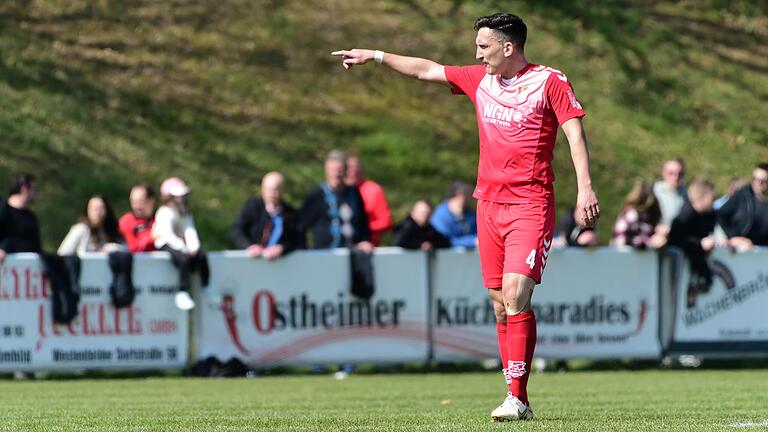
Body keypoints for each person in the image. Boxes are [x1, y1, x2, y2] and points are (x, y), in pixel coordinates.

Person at [333, 11, 600, 421]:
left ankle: (517, 397)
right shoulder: (481, 81)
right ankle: (515, 396)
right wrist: (376, 54)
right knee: (498, 304)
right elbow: (427, 70)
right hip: (488, 206)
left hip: (531, 204)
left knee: (515, 295)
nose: (477, 54)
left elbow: (574, 132)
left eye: (483, 46)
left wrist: (585, 188)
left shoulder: (549, 81)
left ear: (507, 47)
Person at [299, 150, 373, 253]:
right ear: (326, 170)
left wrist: (365, 241)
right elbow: (301, 226)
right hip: (325, 255)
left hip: (352, 254)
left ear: (346, 171)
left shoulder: (354, 193)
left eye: (340, 170)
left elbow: (363, 223)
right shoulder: (317, 195)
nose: (336, 174)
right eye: (333, 170)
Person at [152, 177, 209, 310]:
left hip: (182, 245)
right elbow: (167, 235)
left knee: (202, 256)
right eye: (178, 196)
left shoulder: (185, 212)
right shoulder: (164, 213)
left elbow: (189, 230)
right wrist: (183, 248)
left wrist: (193, 247)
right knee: (183, 260)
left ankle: (206, 287)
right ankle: (182, 291)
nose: (181, 199)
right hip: (165, 244)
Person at [666, 179, 717, 308]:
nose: (714, 202)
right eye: (712, 198)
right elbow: (675, 240)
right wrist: (700, 244)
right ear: (702, 197)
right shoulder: (685, 215)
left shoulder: (710, 214)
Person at [231, 171, 302, 259]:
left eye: (276, 189)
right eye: (268, 189)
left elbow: (298, 239)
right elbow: (237, 230)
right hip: (253, 261)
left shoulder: (291, 214)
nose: (272, 194)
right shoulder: (253, 207)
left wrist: (282, 248)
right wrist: (249, 246)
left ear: (283, 190)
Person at [717, 163, 768, 251]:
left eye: (762, 181)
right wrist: (734, 237)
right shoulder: (742, 195)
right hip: (742, 251)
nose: (757, 183)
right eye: (754, 179)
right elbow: (719, 215)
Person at [345, 154, 393, 246]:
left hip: (368, 248)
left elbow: (386, 222)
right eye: (348, 168)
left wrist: (361, 229)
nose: (351, 171)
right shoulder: (335, 192)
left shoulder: (373, 190)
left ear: (361, 170)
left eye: (355, 168)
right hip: (339, 248)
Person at [58, 195, 125, 255]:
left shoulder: (109, 231)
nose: (98, 212)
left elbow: (126, 251)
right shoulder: (80, 229)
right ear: (87, 211)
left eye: (101, 208)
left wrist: (112, 248)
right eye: (94, 208)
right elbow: (63, 254)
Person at [0, 174, 42, 263]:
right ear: (24, 189)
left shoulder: (30, 217)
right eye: (34, 189)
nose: (36, 193)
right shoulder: (3, 210)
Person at [611, 180, 665, 249]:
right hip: (622, 257)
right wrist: (651, 243)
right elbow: (623, 241)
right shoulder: (632, 215)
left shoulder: (647, 217)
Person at [430, 181, 478, 248]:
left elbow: (477, 233)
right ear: (459, 194)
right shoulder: (441, 216)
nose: (472, 197)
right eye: (469, 194)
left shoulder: (470, 214)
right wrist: (471, 241)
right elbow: (444, 241)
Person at [118, 184, 158, 253]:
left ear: (151, 201)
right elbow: (133, 248)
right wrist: (152, 238)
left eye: (140, 202)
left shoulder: (161, 218)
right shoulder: (126, 221)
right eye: (133, 202)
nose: (136, 206)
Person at [653, 158, 687, 227]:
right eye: (671, 173)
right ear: (663, 173)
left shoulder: (686, 193)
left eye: (680, 174)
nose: (676, 177)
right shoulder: (654, 192)